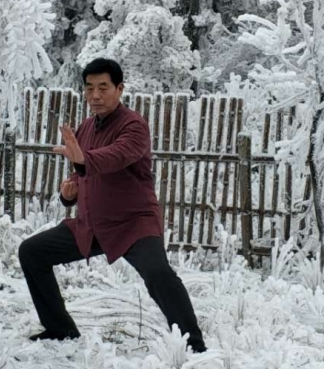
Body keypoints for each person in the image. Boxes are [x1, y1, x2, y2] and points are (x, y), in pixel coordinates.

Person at [17, 58, 207, 353]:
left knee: (158, 274)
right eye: (89, 88)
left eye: (103, 87)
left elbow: (115, 156)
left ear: (119, 89)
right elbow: (80, 176)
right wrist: (69, 194)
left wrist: (82, 160)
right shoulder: (85, 128)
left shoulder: (134, 126)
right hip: (92, 224)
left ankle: (194, 346)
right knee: (32, 252)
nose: (95, 95)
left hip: (133, 223)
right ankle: (59, 328)